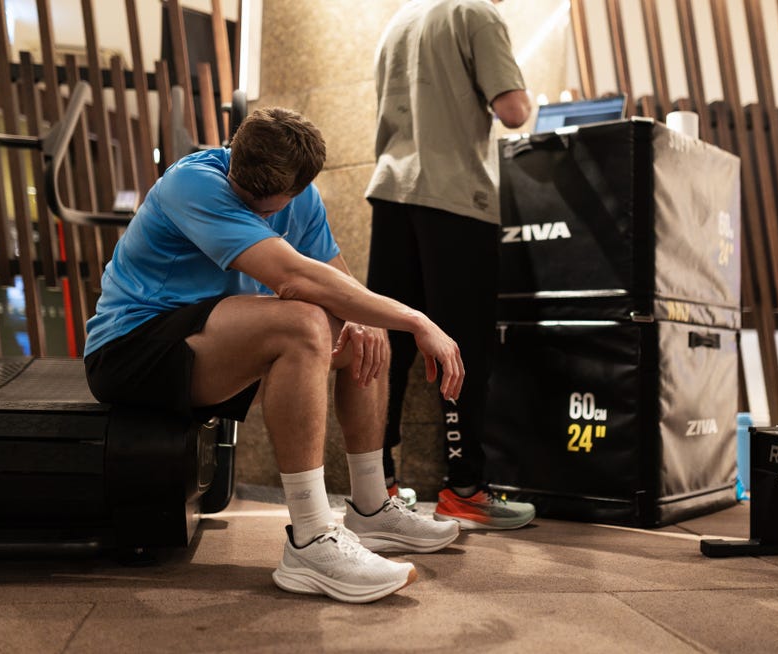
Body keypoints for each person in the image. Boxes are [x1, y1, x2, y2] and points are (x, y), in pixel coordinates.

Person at [84, 106, 465, 604]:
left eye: (268, 207)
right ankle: (309, 539)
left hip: (206, 337)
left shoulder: (302, 200)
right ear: (234, 156)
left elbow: (338, 281)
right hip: (130, 350)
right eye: (246, 197)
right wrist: (417, 318)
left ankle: (372, 508)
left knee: (365, 328)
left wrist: (367, 316)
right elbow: (294, 279)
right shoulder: (192, 184)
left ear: (299, 187)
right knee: (306, 322)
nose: (256, 209)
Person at [364, 0, 536, 529]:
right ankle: (464, 489)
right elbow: (513, 111)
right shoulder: (477, 14)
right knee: (461, 343)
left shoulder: (399, 21)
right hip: (454, 198)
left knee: (386, 344)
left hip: (392, 192)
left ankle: (378, 486)